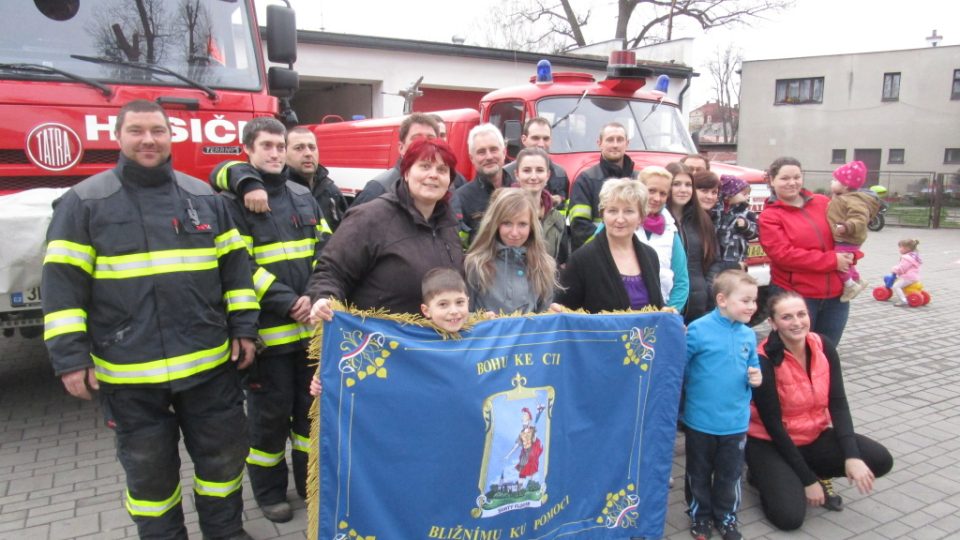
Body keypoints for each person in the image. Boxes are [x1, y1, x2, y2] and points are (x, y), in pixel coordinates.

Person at [41, 100, 258, 540]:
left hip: (209, 368)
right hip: (130, 377)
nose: (148, 139)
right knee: (151, 481)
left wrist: (245, 328)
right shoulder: (84, 203)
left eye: (157, 130)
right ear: (118, 137)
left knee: (222, 464)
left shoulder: (203, 198)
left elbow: (237, 272)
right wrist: (69, 358)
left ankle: (226, 533)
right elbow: (62, 289)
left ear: (170, 136)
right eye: (137, 131)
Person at [212, 118, 328, 523]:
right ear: (248, 150)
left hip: (309, 333)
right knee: (268, 422)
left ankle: (308, 486)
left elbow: (325, 251)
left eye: (281, 146)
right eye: (267, 146)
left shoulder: (302, 195)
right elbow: (239, 264)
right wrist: (288, 302)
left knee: (307, 418)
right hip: (269, 337)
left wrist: (314, 295)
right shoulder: (233, 203)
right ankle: (269, 493)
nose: (276, 153)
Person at [746, 291, 893, 531]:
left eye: (801, 314)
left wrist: (852, 455)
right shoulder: (764, 359)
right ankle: (761, 474)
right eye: (786, 317)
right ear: (772, 323)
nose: (797, 322)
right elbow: (772, 425)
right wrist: (808, 481)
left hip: (811, 436)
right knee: (789, 518)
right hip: (770, 442)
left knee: (880, 459)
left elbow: (838, 403)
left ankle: (806, 470)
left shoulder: (822, 345)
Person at [308, 138, 464, 320]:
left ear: (450, 181)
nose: (433, 175)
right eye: (425, 166)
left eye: (442, 170)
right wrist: (324, 299)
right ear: (406, 173)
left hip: (432, 345)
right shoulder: (370, 217)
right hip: (381, 343)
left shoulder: (449, 226)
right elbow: (331, 272)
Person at [683, 270, 763, 540]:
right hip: (701, 421)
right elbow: (680, 369)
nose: (752, 306)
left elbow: (753, 365)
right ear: (722, 300)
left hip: (735, 423)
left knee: (730, 476)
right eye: (746, 300)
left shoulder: (748, 335)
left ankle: (727, 517)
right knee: (698, 472)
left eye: (754, 300)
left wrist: (757, 376)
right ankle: (700, 515)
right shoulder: (697, 330)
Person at [309, 267, 470, 397]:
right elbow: (374, 375)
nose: (454, 311)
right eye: (443, 304)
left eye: (460, 302)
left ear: (468, 302)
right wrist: (325, 381)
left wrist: (490, 325)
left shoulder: (476, 332)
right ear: (426, 310)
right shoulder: (406, 338)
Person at [758, 157, 853, 345]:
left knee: (826, 351)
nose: (792, 183)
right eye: (784, 178)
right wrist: (833, 261)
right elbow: (783, 255)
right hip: (797, 295)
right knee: (796, 351)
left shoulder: (823, 202)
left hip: (835, 296)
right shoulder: (770, 216)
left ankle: (822, 376)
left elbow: (846, 236)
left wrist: (852, 255)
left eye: (797, 177)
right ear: (772, 181)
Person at [556, 178, 664, 312]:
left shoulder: (650, 255)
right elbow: (565, 314)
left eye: (628, 211)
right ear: (603, 215)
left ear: (641, 217)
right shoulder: (582, 259)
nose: (619, 219)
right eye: (612, 211)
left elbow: (657, 308)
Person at [212, 127, 342, 234]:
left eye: (312, 147)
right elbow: (222, 171)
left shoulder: (331, 190)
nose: (308, 153)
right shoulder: (273, 187)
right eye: (299, 148)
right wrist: (249, 184)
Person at [464, 188, 557, 315]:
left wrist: (553, 313)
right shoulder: (476, 264)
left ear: (532, 227)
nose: (514, 233)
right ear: (495, 224)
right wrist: (480, 319)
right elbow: (463, 316)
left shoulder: (544, 265)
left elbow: (544, 318)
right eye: (507, 223)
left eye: (522, 224)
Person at [569, 122, 637, 250]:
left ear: (627, 144)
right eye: (610, 140)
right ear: (599, 143)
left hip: (631, 254)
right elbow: (579, 228)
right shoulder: (586, 180)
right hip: (597, 255)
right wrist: (609, 248)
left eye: (620, 140)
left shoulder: (638, 180)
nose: (615, 145)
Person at [351, 113, 440, 206]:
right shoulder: (379, 189)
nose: (425, 143)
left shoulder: (443, 185)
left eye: (431, 139)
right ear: (401, 148)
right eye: (417, 139)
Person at [666, 162, 716, 323]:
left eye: (688, 184)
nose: (683, 189)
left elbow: (714, 260)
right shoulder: (657, 221)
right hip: (667, 303)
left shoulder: (702, 219)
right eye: (676, 184)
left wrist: (707, 289)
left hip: (698, 304)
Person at [451, 123, 515, 247]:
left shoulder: (519, 191)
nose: (489, 156)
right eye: (481, 152)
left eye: (493, 149)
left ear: (504, 152)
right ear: (472, 158)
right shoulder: (461, 199)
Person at [637, 165, 689, 313]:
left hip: (661, 312)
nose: (657, 198)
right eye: (651, 191)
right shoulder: (617, 222)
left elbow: (681, 280)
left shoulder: (670, 229)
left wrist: (672, 311)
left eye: (663, 193)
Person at [828, 160, 881, 302]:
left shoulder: (853, 200)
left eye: (834, 180)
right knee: (847, 261)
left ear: (845, 185)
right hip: (847, 237)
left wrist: (846, 227)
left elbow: (859, 217)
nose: (831, 182)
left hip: (847, 237)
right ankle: (857, 279)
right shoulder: (843, 197)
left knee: (840, 263)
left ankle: (850, 285)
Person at [513, 147, 569, 264]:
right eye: (527, 170)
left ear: (548, 175)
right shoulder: (503, 214)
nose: (533, 177)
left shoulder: (557, 219)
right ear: (517, 174)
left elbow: (561, 262)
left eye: (539, 170)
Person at [502, 117, 570, 207]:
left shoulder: (560, 174)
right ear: (523, 140)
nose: (541, 144)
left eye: (546, 139)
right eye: (535, 138)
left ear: (551, 141)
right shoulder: (507, 174)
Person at [712, 174, 758, 278]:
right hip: (717, 258)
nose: (747, 196)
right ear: (730, 193)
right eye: (744, 193)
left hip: (736, 258)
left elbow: (756, 232)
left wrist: (746, 225)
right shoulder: (717, 210)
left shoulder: (746, 213)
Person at [890, 238, 922, 307]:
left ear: (907, 248)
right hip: (914, 277)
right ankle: (907, 295)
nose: (899, 249)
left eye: (900, 247)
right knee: (901, 285)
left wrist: (894, 269)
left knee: (896, 286)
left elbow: (902, 269)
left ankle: (903, 300)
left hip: (907, 277)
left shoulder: (906, 258)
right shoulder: (914, 256)